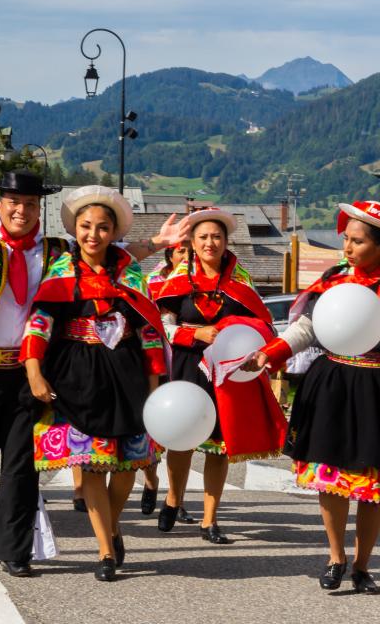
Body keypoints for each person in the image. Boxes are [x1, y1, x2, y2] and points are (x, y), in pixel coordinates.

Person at [0, 163, 188, 578]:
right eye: (14, 202)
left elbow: (107, 260)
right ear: (1, 203)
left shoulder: (54, 250)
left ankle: (16, 550)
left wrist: (158, 242)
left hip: (30, 374)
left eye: (30, 204)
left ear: (38, 209)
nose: (21, 211)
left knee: (22, 468)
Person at [21, 186, 166, 581]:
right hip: (76, 375)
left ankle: (113, 524)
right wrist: (34, 370)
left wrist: (155, 388)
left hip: (127, 375)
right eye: (86, 226)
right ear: (76, 229)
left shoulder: (132, 274)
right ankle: (104, 549)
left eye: (103, 228)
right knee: (94, 464)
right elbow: (40, 323)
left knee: (128, 465)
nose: (93, 235)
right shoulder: (61, 272)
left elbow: (149, 333)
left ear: (114, 232)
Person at [244, 200, 380, 593]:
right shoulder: (335, 280)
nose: (348, 249)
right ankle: (336, 557)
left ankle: (362, 565)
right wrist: (269, 354)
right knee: (333, 479)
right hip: (334, 384)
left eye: (357, 242)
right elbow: (306, 328)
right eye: (346, 241)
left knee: (372, 488)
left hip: (375, 389)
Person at [154, 208, 287, 544]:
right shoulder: (177, 282)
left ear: (227, 242)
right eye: (203, 238)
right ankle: (174, 498)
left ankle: (209, 520)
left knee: (219, 447)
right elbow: (160, 327)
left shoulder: (241, 283)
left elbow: (264, 324)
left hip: (226, 371)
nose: (210, 243)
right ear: (192, 244)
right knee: (182, 438)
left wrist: (240, 335)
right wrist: (194, 335)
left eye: (216, 237)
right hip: (187, 365)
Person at [141, 241, 195, 520]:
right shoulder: (152, 281)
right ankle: (151, 481)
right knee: (150, 430)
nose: (186, 255)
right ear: (169, 255)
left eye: (189, 250)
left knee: (181, 434)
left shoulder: (197, 280)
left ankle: (178, 500)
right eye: (180, 251)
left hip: (184, 362)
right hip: (155, 361)